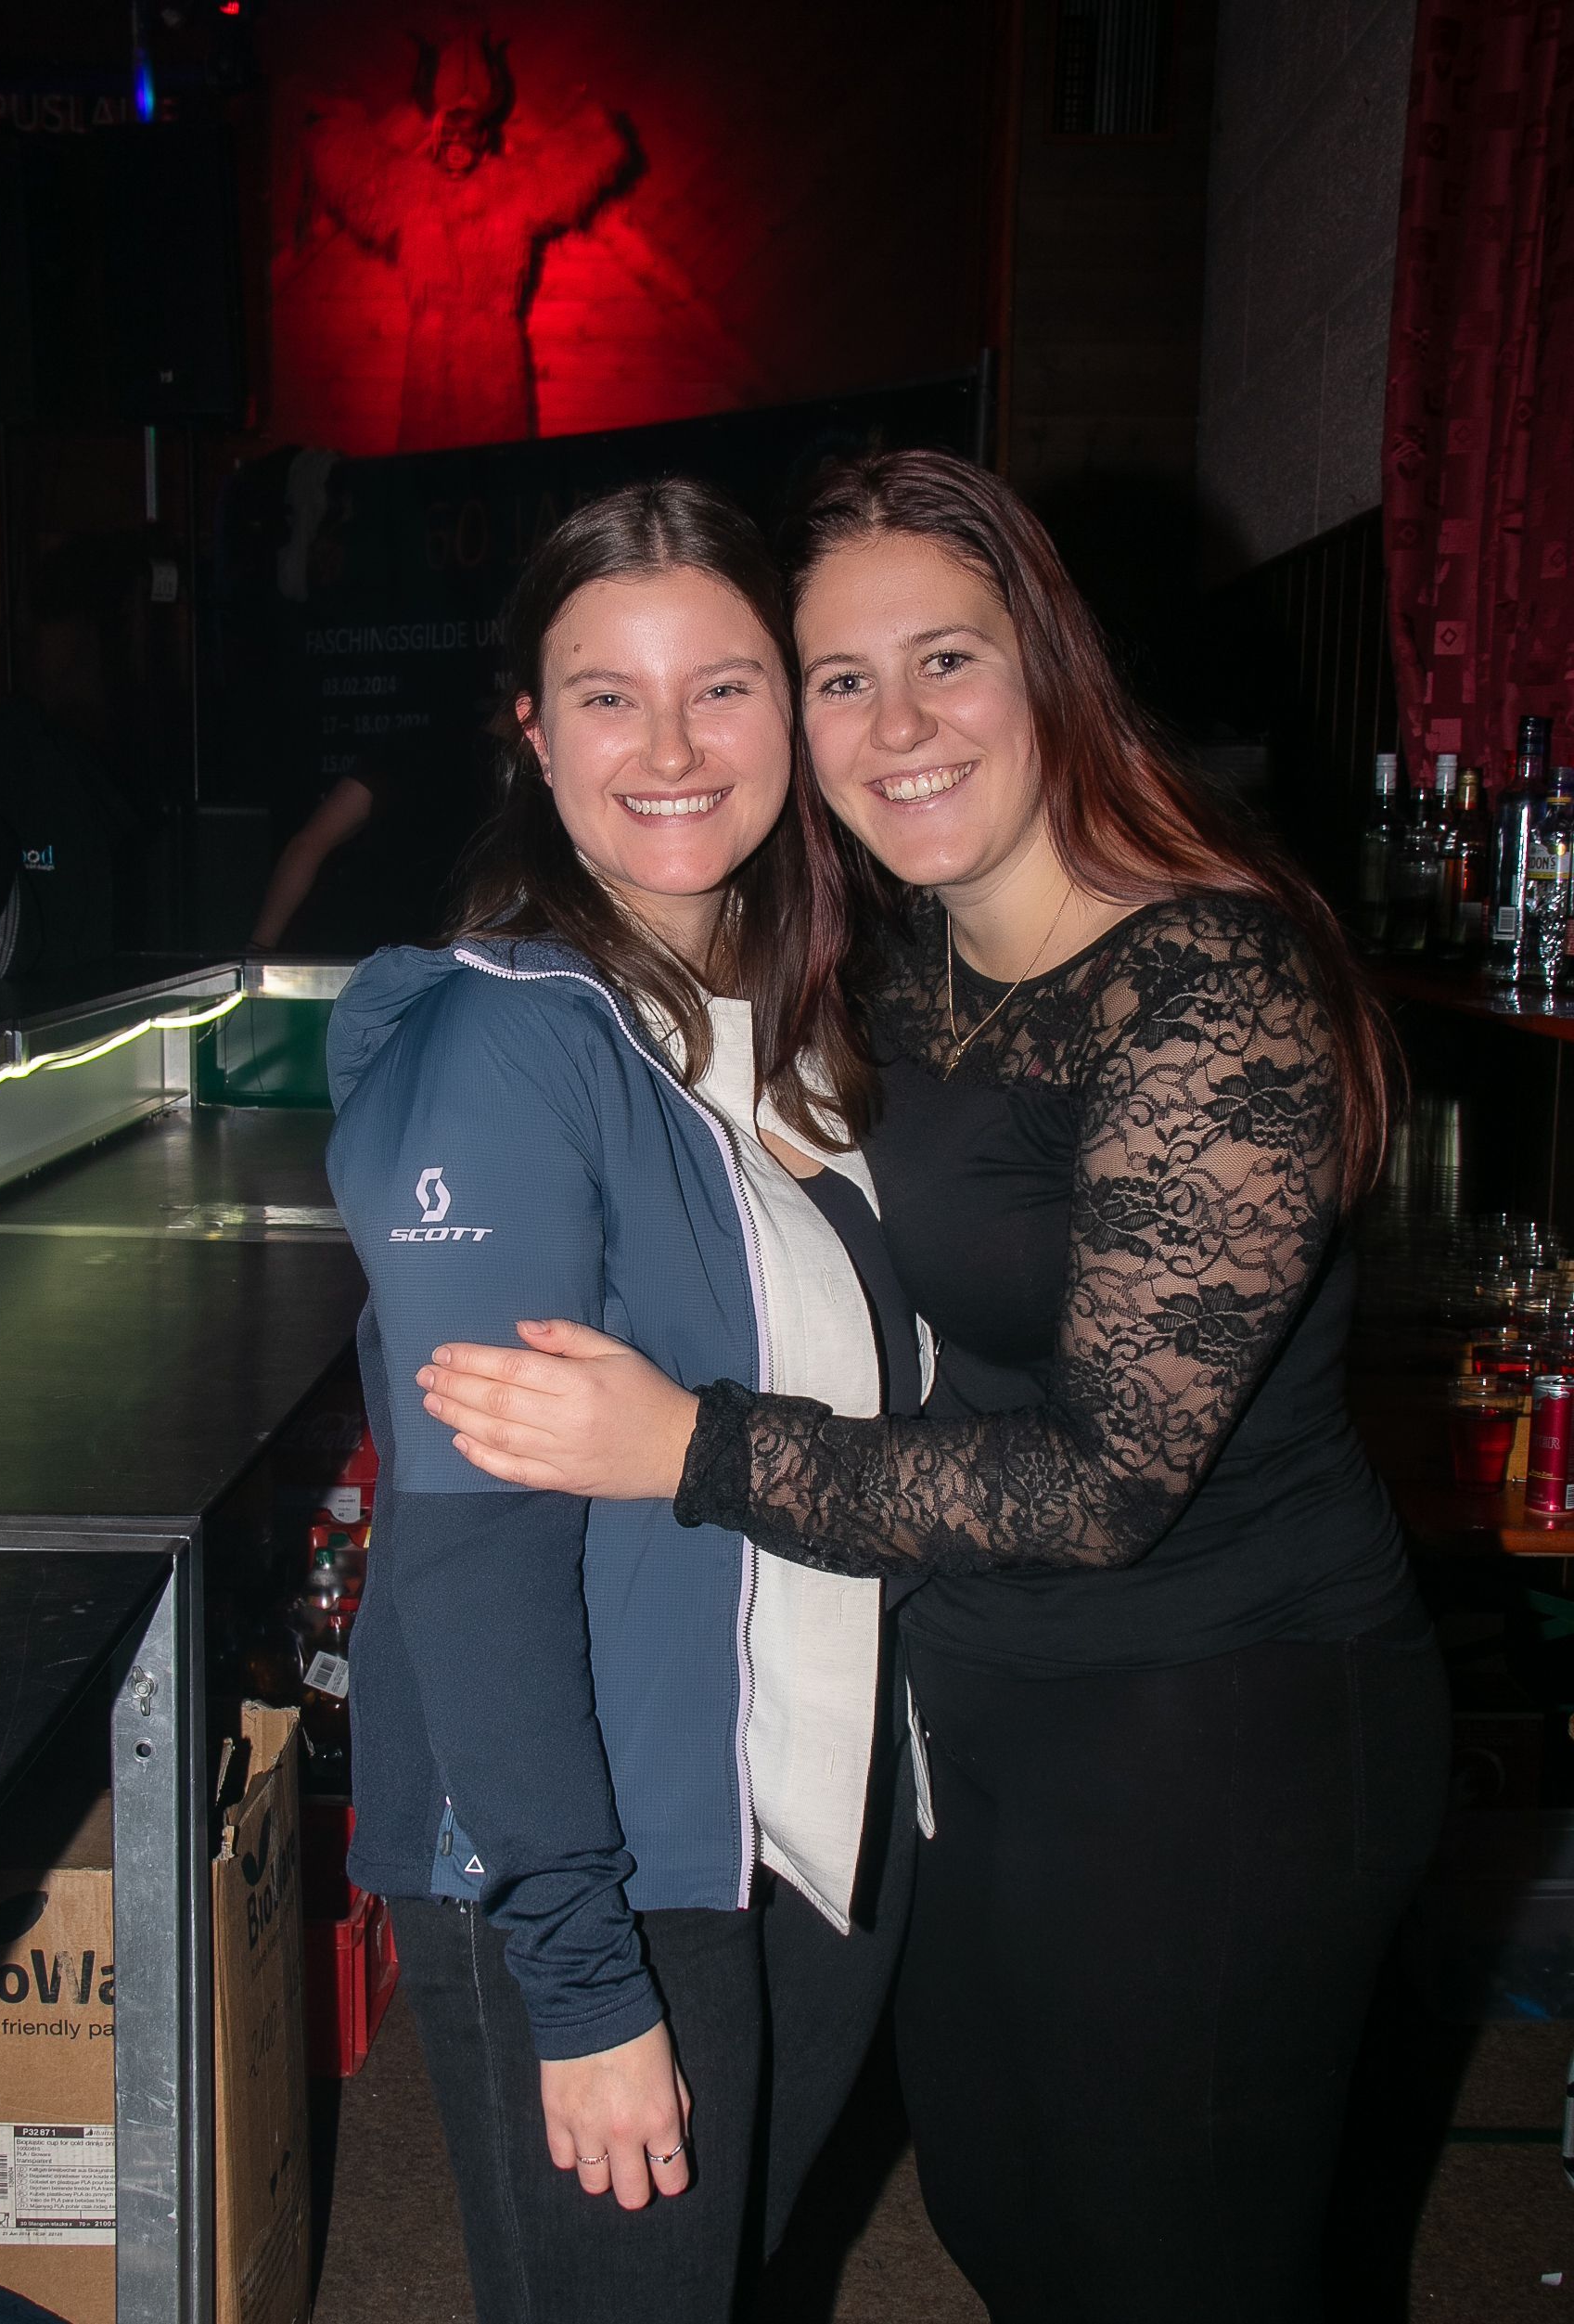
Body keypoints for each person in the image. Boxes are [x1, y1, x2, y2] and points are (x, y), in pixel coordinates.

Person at [414, 448, 1451, 2324]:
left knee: (1174, 2264)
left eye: (947, 659)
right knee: (1006, 2222)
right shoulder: (890, 968)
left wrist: (691, 1446)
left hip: (1219, 1714)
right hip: (975, 1711)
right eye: (839, 677)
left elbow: (1105, 1480)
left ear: (1050, 662)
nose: (898, 727)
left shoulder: (1207, 980)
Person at [323, 477, 920, 2324]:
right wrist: (580, 1980)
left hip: (788, 1811)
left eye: (722, 686)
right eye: (609, 695)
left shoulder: (790, 1025)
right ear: (533, 729)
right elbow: (470, 1558)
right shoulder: (506, 1044)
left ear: (793, 711)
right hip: (596, 1850)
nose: (670, 749)